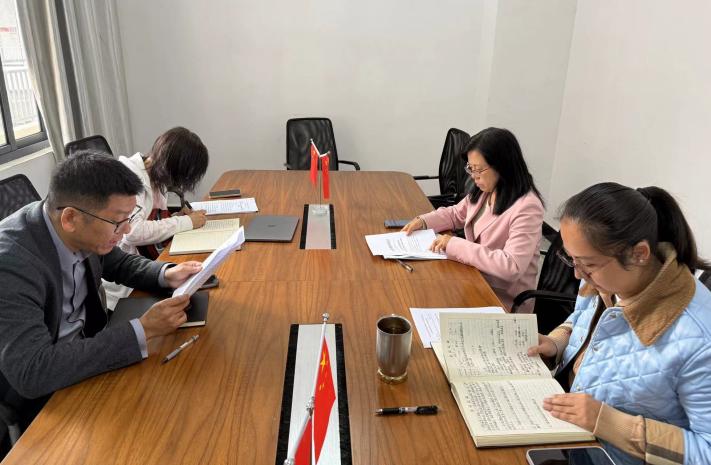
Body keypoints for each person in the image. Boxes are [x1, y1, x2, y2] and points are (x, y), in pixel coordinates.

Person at [0, 152, 203, 428]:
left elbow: (116, 262)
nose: (127, 229)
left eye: (129, 217)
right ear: (71, 218)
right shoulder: (10, 263)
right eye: (118, 221)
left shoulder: (79, 229)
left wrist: (165, 274)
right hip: (46, 391)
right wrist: (143, 330)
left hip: (89, 348)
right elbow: (33, 371)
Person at [528, 183, 711, 465]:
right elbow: (581, 319)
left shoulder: (698, 340)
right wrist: (557, 341)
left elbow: (706, 450)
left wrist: (606, 421)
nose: (577, 275)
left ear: (639, 253)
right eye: (572, 259)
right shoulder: (608, 278)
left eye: (587, 264)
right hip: (570, 434)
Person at [402, 127, 544, 311]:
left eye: (479, 170)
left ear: (502, 166)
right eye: (470, 168)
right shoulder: (487, 189)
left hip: (502, 299)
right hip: (473, 278)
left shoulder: (527, 207)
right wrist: (423, 221)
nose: (473, 176)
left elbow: (511, 266)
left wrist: (454, 244)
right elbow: (456, 214)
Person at [104, 127, 209, 309]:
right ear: (171, 166)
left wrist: (175, 217)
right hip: (126, 282)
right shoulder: (130, 179)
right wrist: (186, 222)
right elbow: (132, 232)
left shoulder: (155, 177)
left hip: (147, 263)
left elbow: (150, 219)